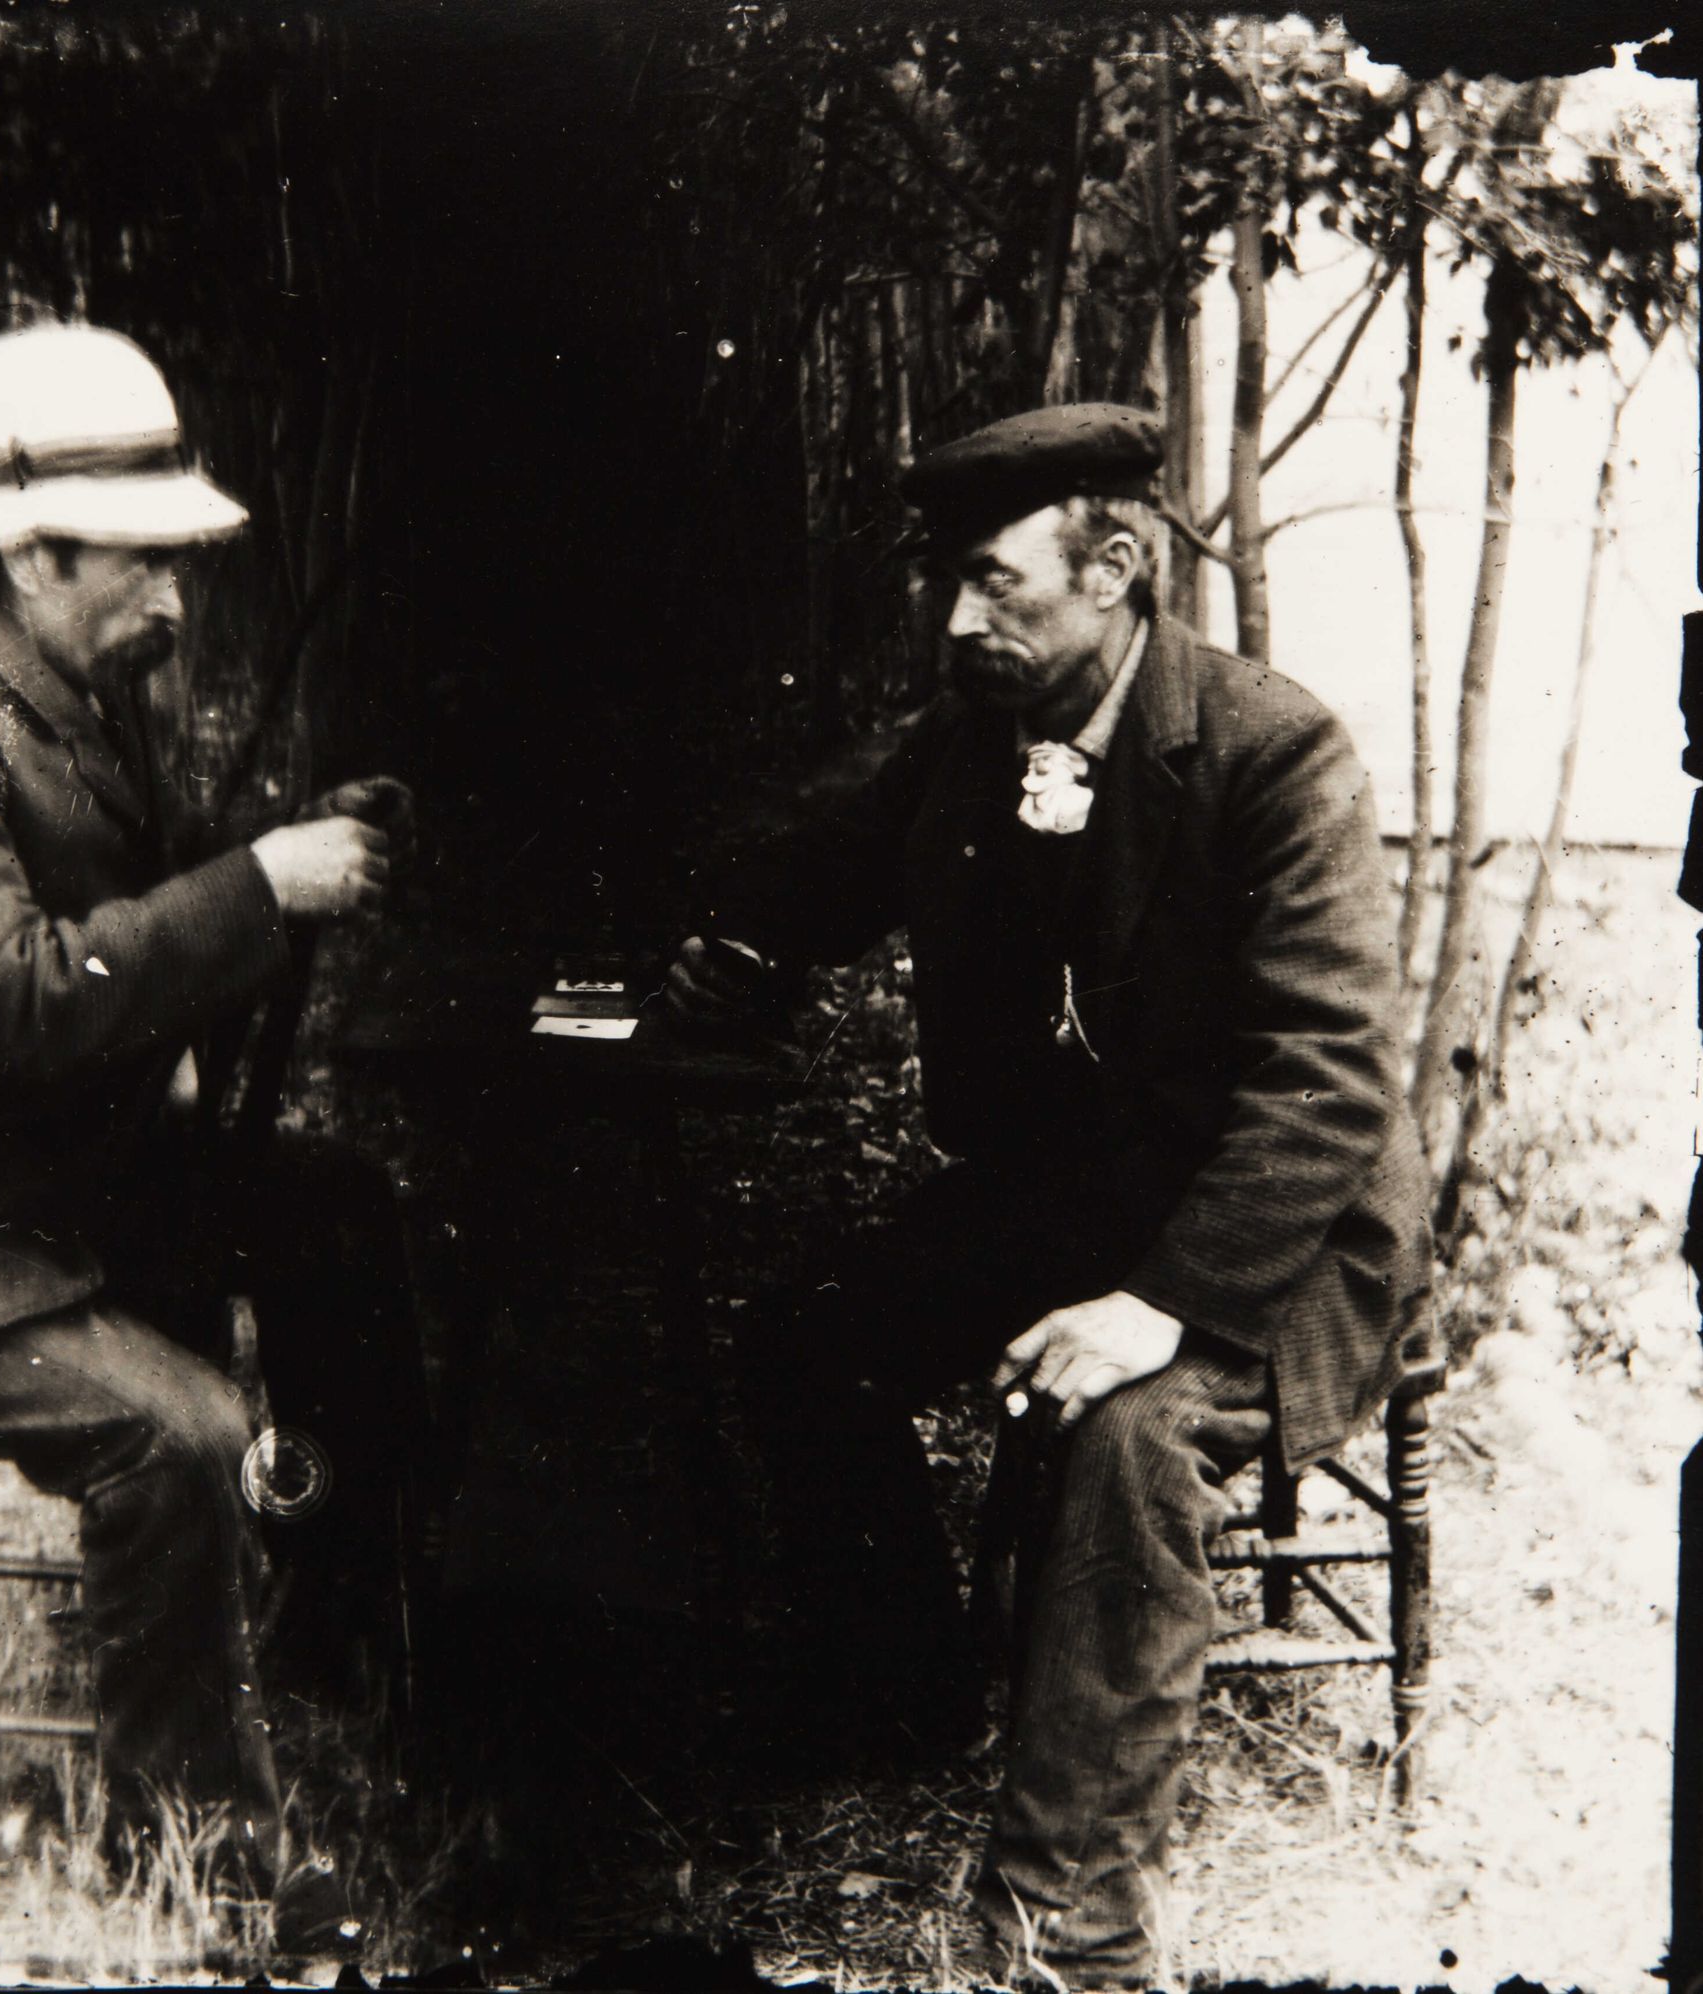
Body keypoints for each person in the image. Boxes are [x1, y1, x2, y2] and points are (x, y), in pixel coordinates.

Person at [667, 404, 1433, 1988]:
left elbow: (1328, 1084)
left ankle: (1066, 1926)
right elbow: (828, 862)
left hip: (1275, 1230)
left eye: (993, 581)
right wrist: (740, 945)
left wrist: (1158, 1306)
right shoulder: (977, 736)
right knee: (811, 1339)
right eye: (950, 581)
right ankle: (903, 1697)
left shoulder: (1271, 751)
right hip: (1082, 1197)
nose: (959, 618)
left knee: (1127, 1435)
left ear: (1118, 568)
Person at [0, 323, 429, 1877]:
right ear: (32, 552)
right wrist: (259, 885)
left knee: (340, 1214)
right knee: (181, 1432)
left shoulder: (61, 686)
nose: (176, 601)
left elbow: (133, 914)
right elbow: (21, 1004)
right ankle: (198, 1855)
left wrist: (288, 853)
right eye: (147, 562)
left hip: (47, 1187)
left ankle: (335, 1635)